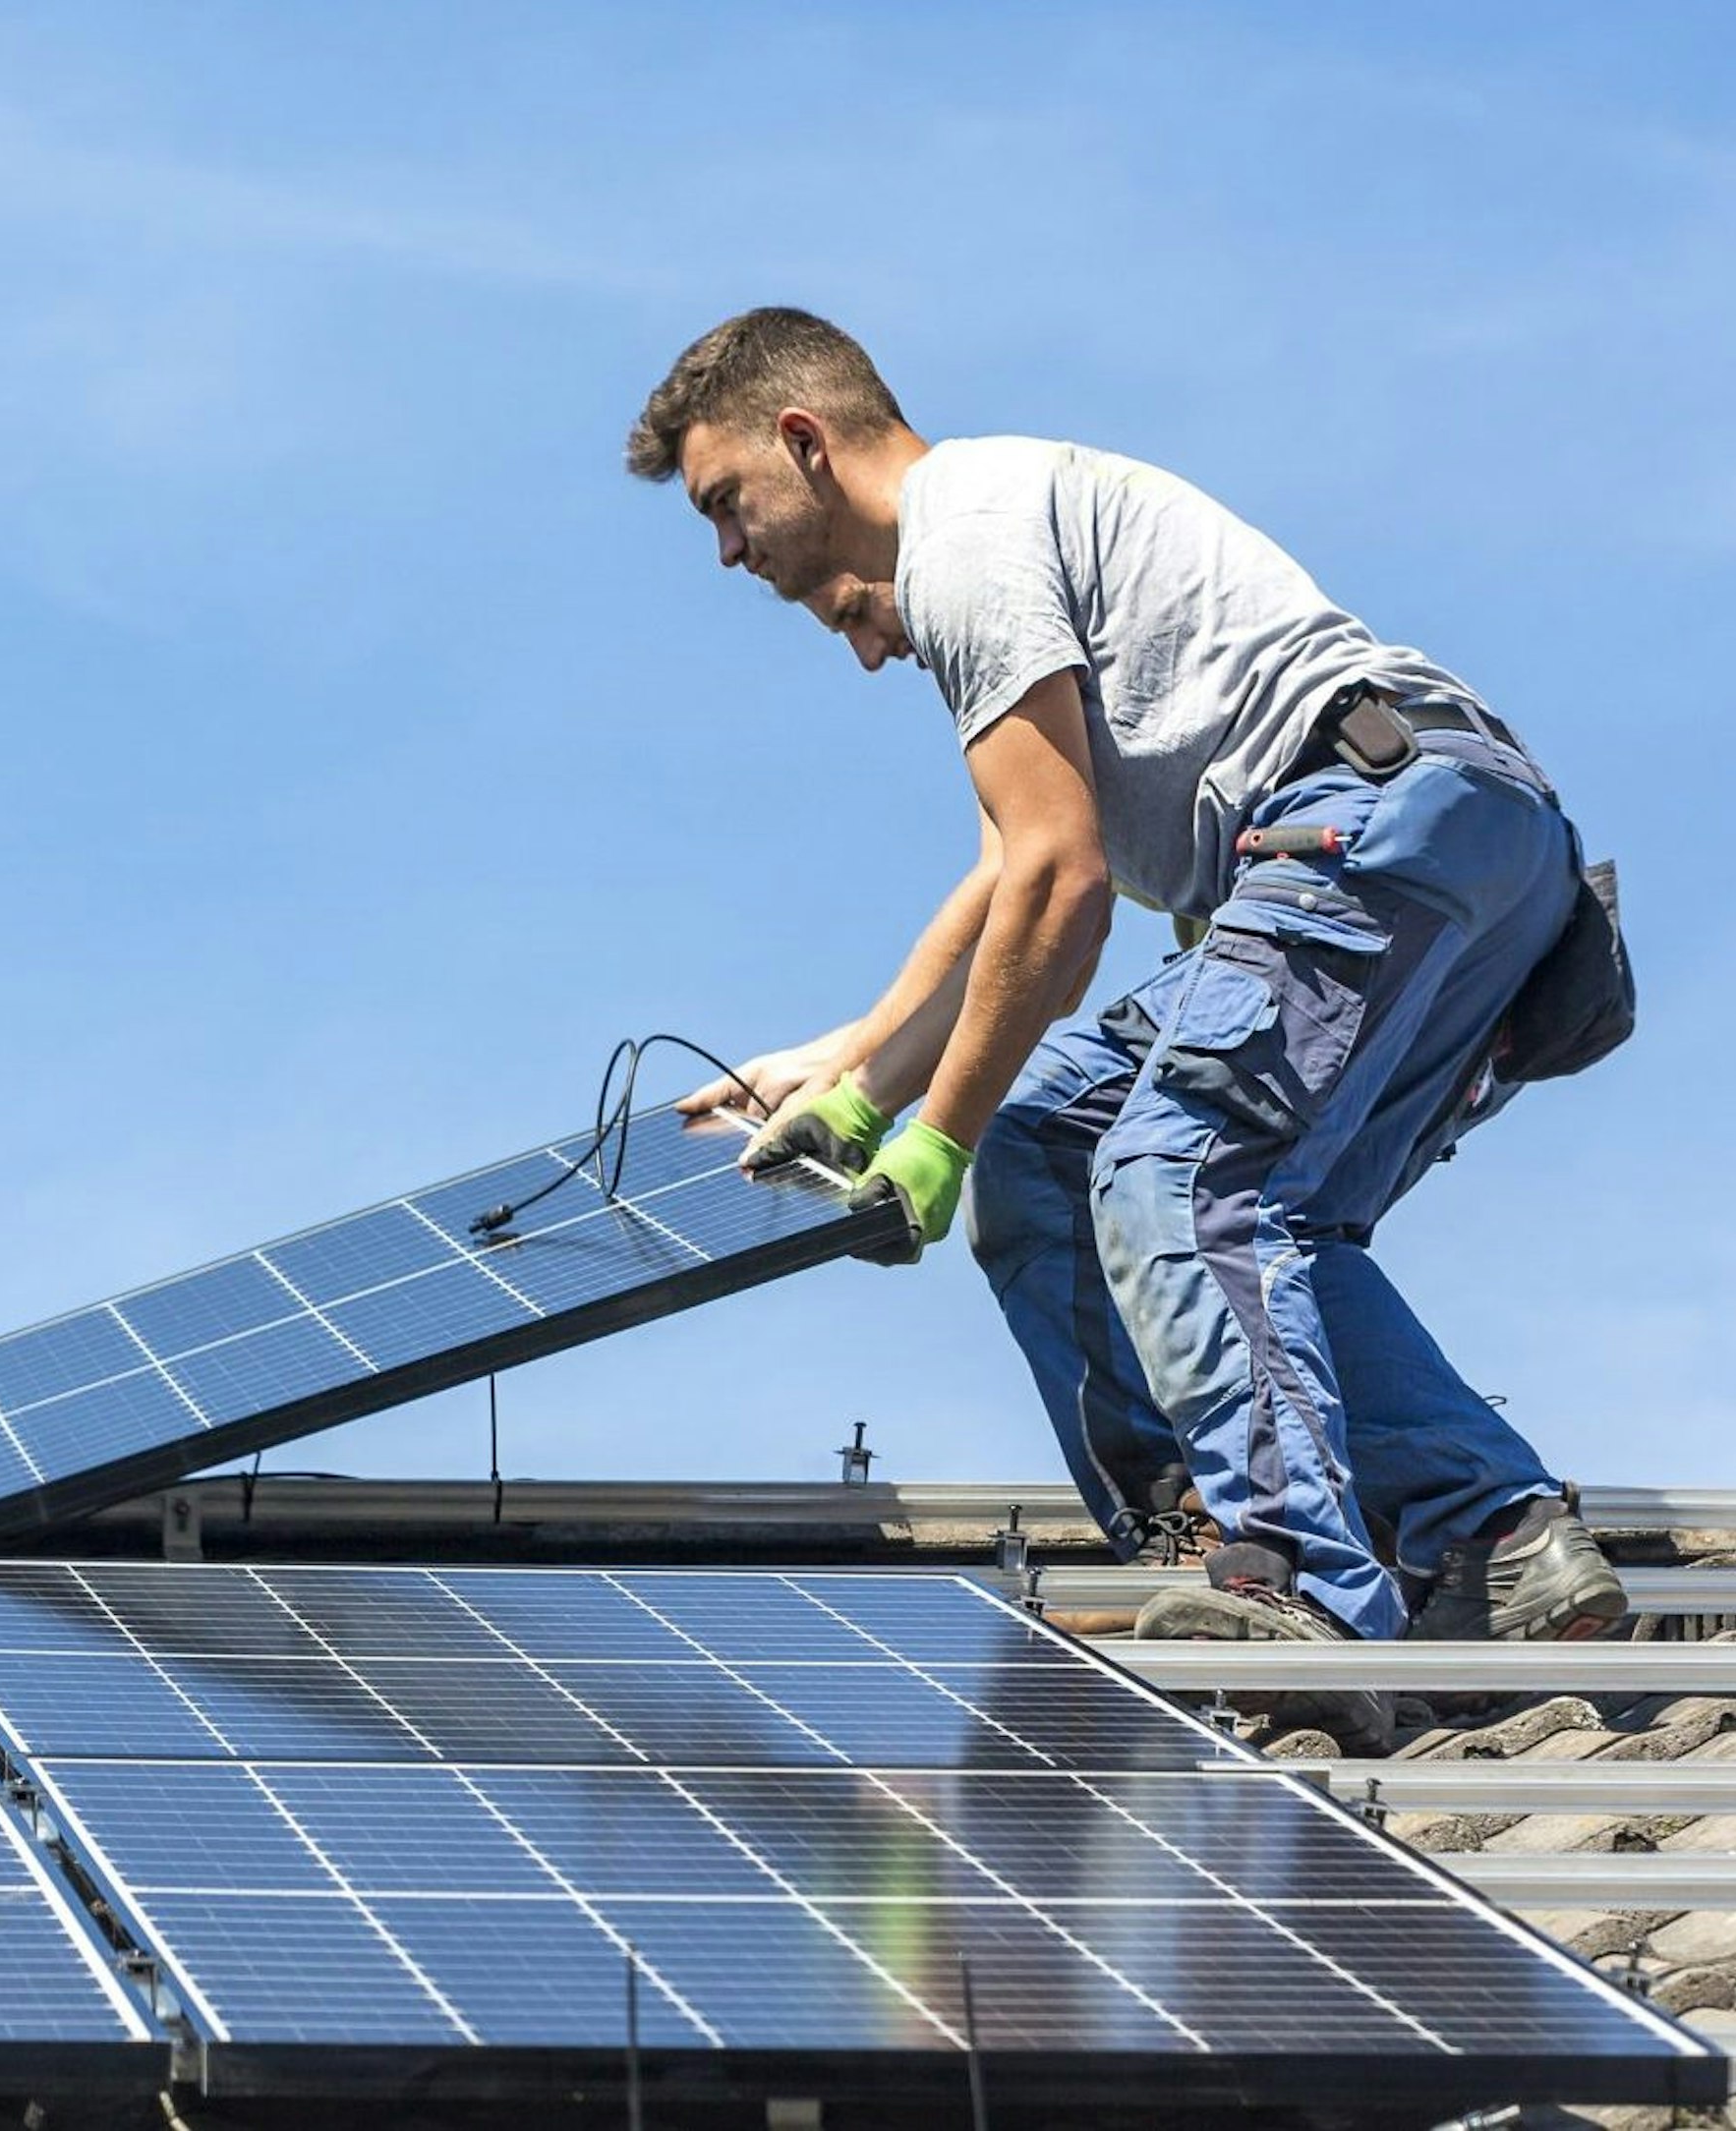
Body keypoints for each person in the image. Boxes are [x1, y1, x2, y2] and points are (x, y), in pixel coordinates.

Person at [628, 308, 1625, 1744]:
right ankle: (1498, 1539)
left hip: (1359, 824)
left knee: (1173, 1172)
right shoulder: (1006, 522)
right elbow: (1007, 884)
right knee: (1075, 1150)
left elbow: (1063, 886)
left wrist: (930, 1145)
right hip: (1450, 841)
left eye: (728, 504)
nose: (730, 551)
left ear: (806, 441)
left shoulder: (961, 535)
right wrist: (853, 1068)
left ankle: (1285, 1574)